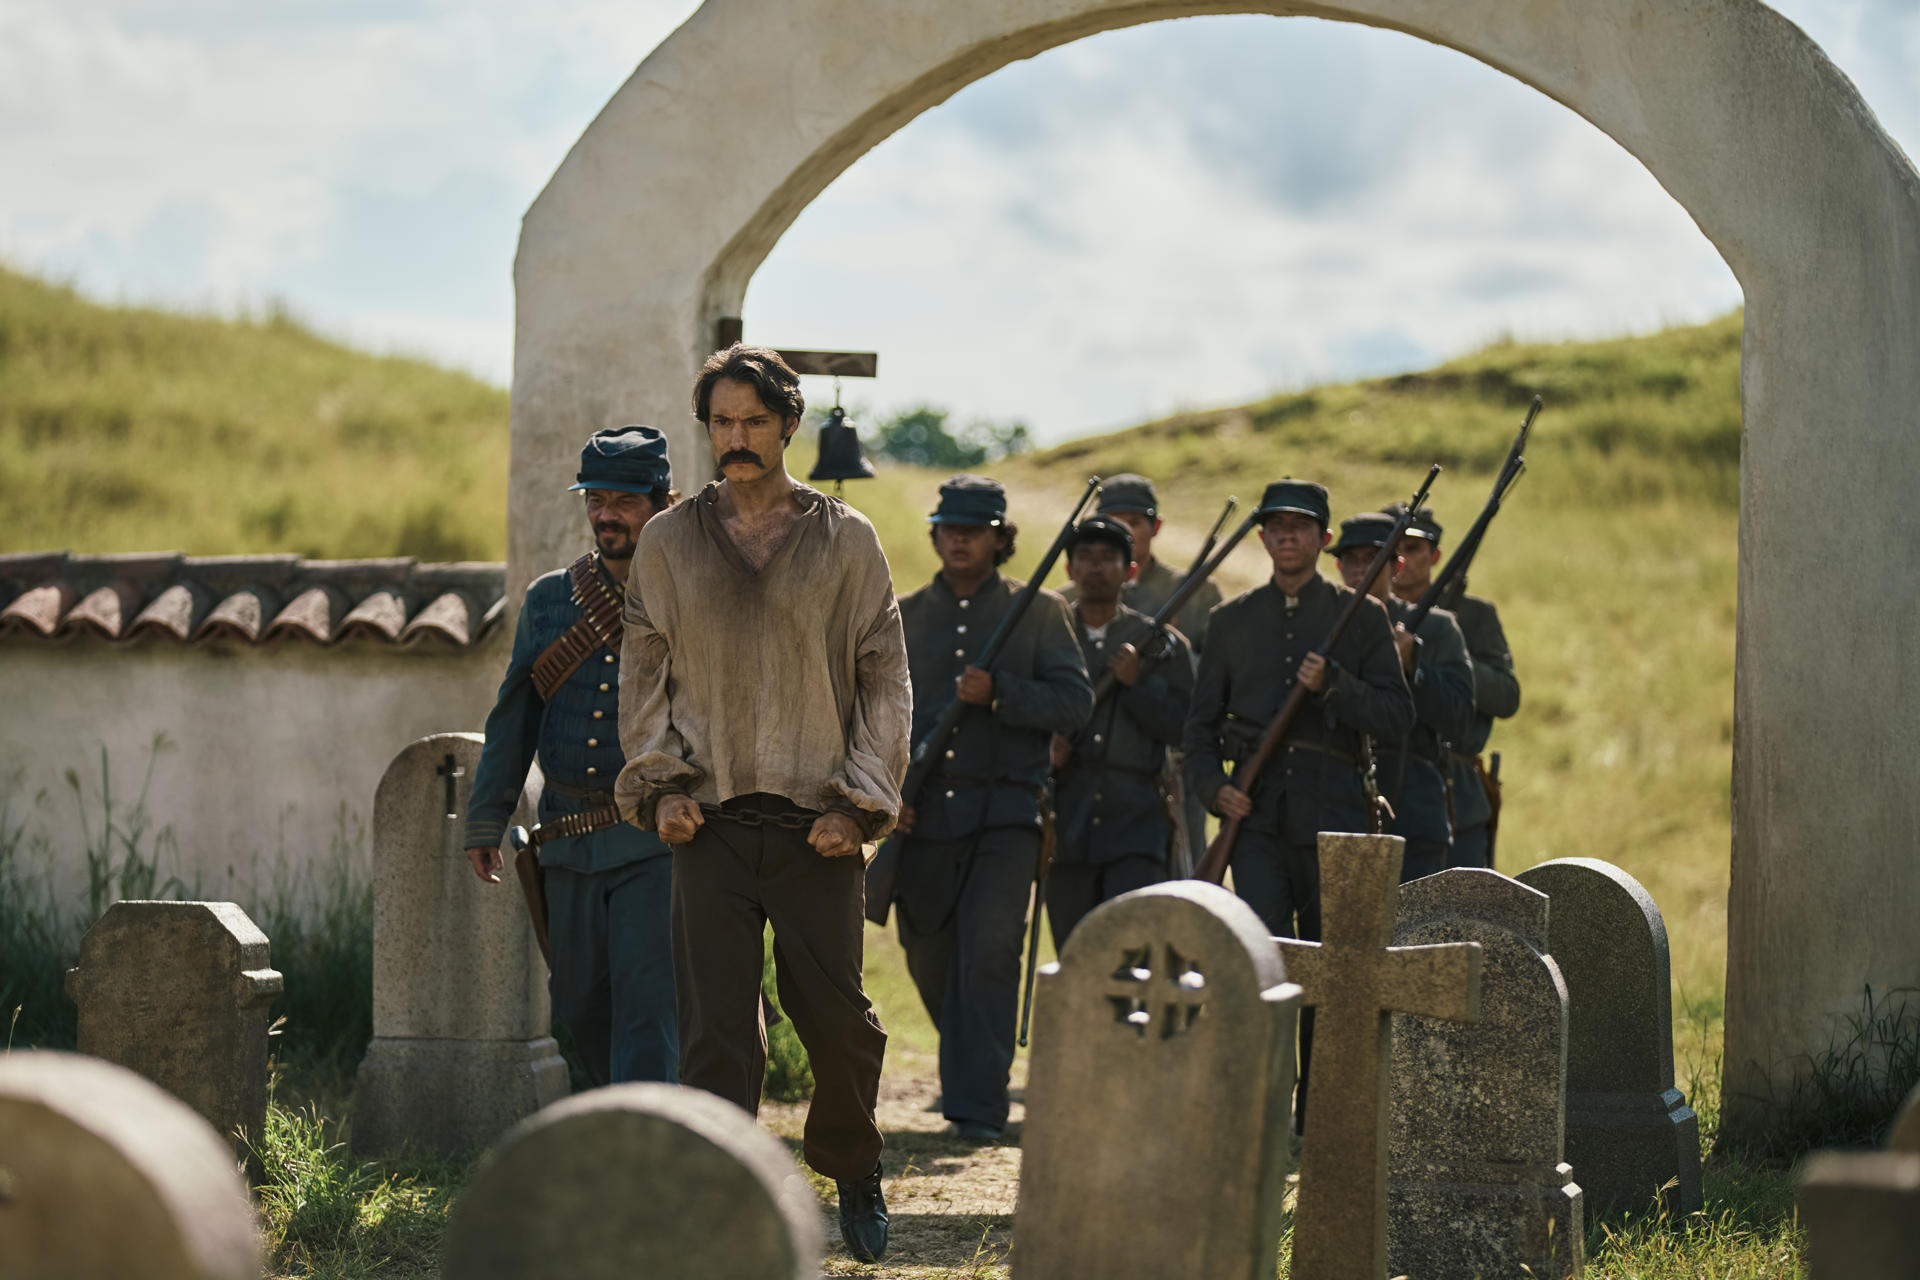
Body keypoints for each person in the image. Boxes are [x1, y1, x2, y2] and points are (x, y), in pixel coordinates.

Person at [614, 345, 910, 1264]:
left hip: (816, 829)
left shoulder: (846, 538)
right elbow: (645, 671)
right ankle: (719, 1199)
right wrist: (660, 786)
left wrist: (858, 805)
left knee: (836, 1021)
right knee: (714, 1032)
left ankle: (853, 1171)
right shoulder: (667, 541)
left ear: (788, 423)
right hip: (707, 826)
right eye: (720, 423)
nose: (735, 440)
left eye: (752, 421)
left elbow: (884, 678)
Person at [463, 425, 679, 1087]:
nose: (605, 514)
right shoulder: (551, 598)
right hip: (564, 838)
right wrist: (486, 817)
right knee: (580, 1004)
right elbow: (515, 713)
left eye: (624, 500)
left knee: (650, 1010)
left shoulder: (688, 593)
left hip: (653, 840)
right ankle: (606, 1135)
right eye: (595, 498)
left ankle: (642, 1154)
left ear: (661, 502)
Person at [887, 475, 1092, 1144]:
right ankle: (973, 1060)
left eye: (974, 529)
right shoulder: (907, 613)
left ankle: (977, 1106)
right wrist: (891, 797)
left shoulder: (1041, 614)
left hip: (1007, 812)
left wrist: (999, 691)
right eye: (949, 528)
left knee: (991, 954)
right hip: (924, 816)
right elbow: (881, 714)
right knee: (927, 951)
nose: (960, 538)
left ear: (1001, 539)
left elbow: (1074, 705)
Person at [1183, 480, 1413, 941]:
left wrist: (1335, 684)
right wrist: (1215, 789)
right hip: (1256, 818)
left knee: (1333, 964)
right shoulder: (1230, 621)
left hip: (1337, 816)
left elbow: (1396, 717)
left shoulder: (1363, 616)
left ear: (1324, 539)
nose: (1287, 536)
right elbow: (1199, 729)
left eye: (1300, 526)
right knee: (1262, 955)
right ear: (1263, 538)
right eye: (1277, 526)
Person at [1047, 513, 1194, 948]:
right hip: (1065, 825)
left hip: (1137, 825)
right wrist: (1045, 748)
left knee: (1135, 960)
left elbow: (1186, 730)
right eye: (1085, 557)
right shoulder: (1046, 634)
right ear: (1069, 569)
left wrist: (1137, 685)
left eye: (1108, 557)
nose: (1095, 566)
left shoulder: (1161, 643)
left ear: (1130, 571)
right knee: (1075, 959)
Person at [1328, 511, 1475, 883]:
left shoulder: (1439, 628)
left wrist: (1414, 668)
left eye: (1372, 558)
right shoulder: (1326, 626)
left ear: (1394, 566)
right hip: (1338, 806)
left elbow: (1459, 720)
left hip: (1414, 806)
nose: (1361, 569)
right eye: (1352, 559)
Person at [1382, 502, 1522, 868]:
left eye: (1412, 548)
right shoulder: (1366, 614)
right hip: (1381, 784)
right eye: (1392, 547)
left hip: (1455, 791)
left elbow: (1507, 696)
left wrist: (1443, 655)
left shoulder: (1473, 616)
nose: (1401, 558)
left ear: (1435, 555)